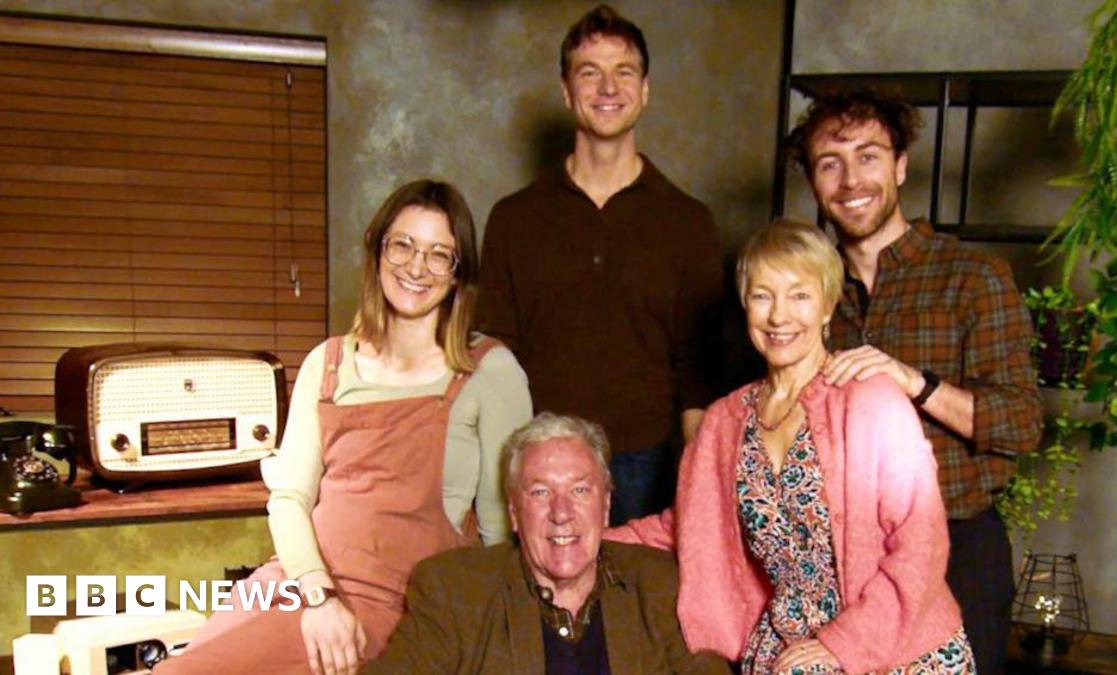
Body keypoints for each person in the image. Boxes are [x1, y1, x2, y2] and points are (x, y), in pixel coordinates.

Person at [155, 180, 532, 675]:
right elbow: (289, 499)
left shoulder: (490, 370)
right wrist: (318, 596)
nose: (417, 267)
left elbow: (501, 535)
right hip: (302, 583)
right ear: (377, 250)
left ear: (460, 275)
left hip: (407, 605)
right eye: (403, 245)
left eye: (440, 254)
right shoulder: (327, 362)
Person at [608, 219, 974, 674]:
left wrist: (844, 645)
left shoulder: (870, 398)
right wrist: (581, 541)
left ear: (827, 306)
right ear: (745, 305)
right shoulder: (725, 420)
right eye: (763, 296)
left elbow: (922, 545)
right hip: (788, 647)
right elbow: (687, 524)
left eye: (799, 295)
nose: (779, 316)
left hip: (897, 645)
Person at [787, 91, 1041, 675]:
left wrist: (915, 383)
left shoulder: (972, 277)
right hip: (846, 556)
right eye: (830, 163)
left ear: (901, 165)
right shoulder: (805, 291)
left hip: (957, 547)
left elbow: (1022, 424)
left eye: (869, 156)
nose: (851, 180)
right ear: (812, 181)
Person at [476, 4, 723, 526]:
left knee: (632, 605)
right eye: (590, 73)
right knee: (535, 604)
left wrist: (700, 489)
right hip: (540, 459)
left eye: (623, 72)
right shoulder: (514, 218)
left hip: (645, 462)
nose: (608, 87)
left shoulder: (689, 221)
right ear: (567, 93)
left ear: (645, 90)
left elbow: (697, 374)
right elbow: (493, 358)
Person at [371, 412, 730, 674]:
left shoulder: (658, 583)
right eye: (540, 492)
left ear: (605, 505)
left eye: (579, 490)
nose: (562, 512)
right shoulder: (456, 590)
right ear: (514, 511)